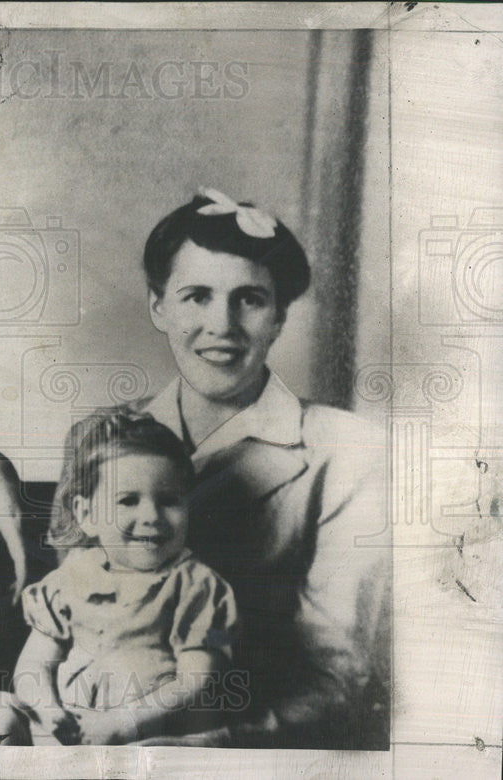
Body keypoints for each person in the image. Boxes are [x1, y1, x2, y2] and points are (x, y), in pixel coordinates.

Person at [130, 188, 391, 748]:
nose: (221, 324)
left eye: (249, 299)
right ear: (159, 308)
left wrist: (210, 748)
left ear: (279, 317)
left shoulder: (350, 453)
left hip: (252, 743)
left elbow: (342, 678)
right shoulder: (109, 439)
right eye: (195, 296)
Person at [0, 410, 238, 745]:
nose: (151, 516)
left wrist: (124, 723)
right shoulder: (69, 580)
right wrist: (48, 711)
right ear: (86, 514)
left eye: (169, 501)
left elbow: (198, 682)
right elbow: (34, 666)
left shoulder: (196, 586)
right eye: (128, 501)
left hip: (142, 734)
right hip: (64, 730)